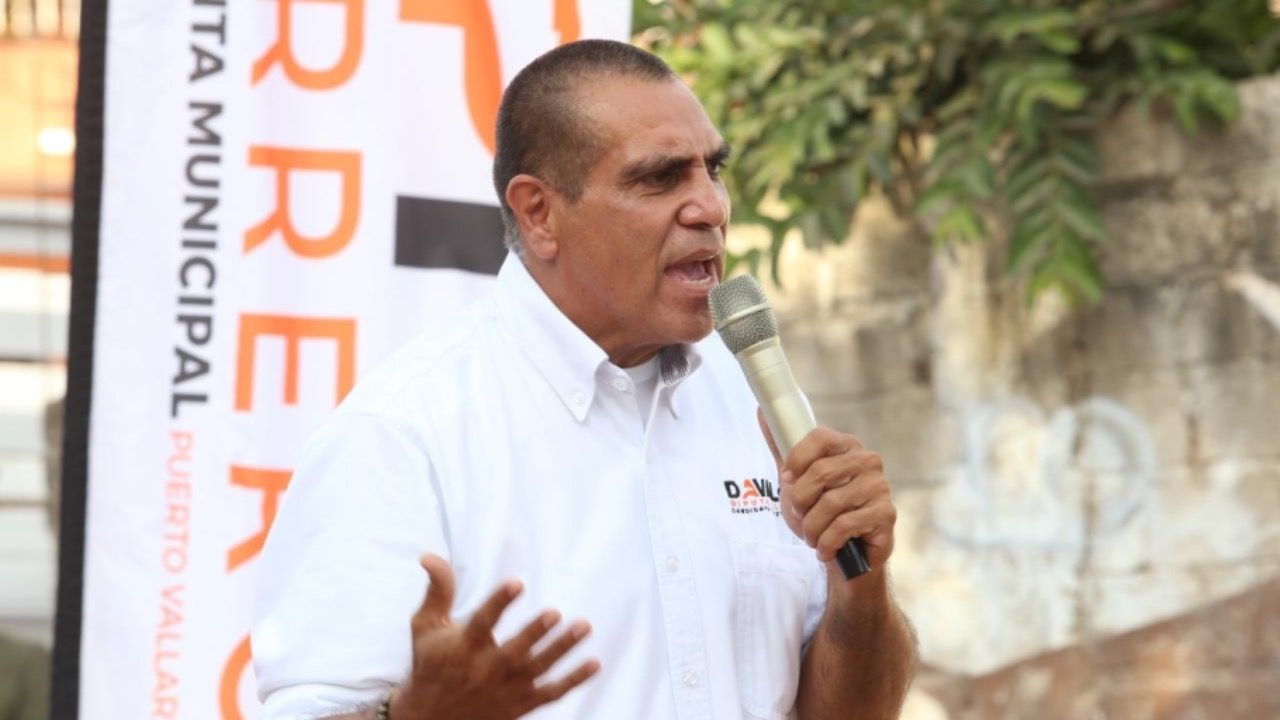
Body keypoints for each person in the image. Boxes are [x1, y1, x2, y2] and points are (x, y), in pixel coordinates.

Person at [253, 39, 917, 720]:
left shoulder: (748, 391)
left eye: (713, 170)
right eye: (660, 178)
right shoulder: (402, 434)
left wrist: (859, 586)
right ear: (540, 213)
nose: (709, 207)